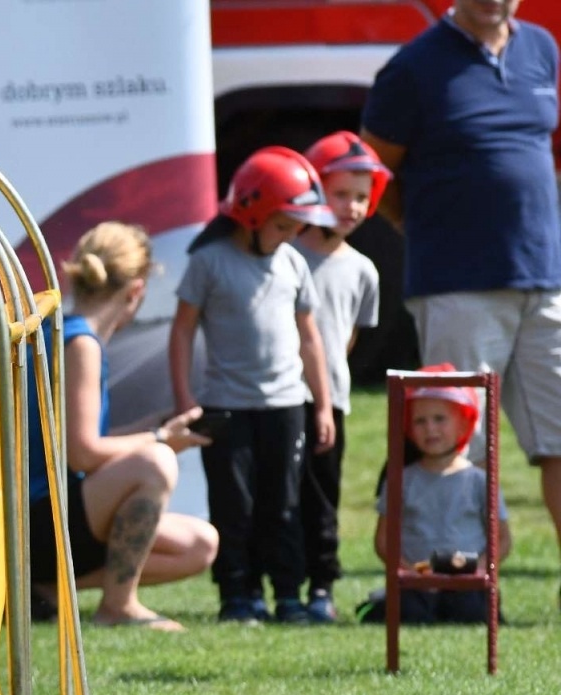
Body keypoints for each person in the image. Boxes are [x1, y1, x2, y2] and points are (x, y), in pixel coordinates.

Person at [360, 1, 561, 596]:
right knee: (453, 445)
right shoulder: (413, 67)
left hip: (544, 281)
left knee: (559, 439)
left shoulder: (541, 49)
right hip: (456, 285)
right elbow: (373, 173)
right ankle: (455, 585)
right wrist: (425, 230)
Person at [169, 147, 337, 624]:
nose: (293, 236)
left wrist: (321, 406)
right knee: (233, 505)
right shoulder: (209, 262)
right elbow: (182, 331)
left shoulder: (292, 263)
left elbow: (310, 337)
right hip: (226, 407)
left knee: (282, 503)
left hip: (287, 406)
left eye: (297, 227)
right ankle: (238, 596)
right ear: (251, 214)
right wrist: (185, 398)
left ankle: (287, 593)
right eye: (284, 225)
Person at [29, 223, 218, 630]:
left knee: (201, 546)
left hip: (39, 521)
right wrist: (159, 439)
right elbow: (82, 452)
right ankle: (118, 606)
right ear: (136, 291)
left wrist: (152, 428)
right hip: (38, 523)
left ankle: (41, 588)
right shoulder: (81, 343)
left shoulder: (59, 331)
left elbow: (73, 447)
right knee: (157, 463)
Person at [292, 132, 389, 623]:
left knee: (321, 496)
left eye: (361, 195)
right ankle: (276, 589)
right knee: (278, 497)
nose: (351, 206)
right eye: (341, 193)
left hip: (331, 403)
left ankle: (321, 588)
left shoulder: (363, 270)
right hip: (278, 400)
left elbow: (346, 339)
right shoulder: (283, 255)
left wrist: (327, 390)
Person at [364, 366, 511, 624]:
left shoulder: (480, 481)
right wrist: (408, 571)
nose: (430, 429)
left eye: (440, 419)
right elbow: (384, 539)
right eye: (420, 421)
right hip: (415, 582)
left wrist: (478, 570)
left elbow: (502, 539)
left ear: (465, 422)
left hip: (467, 583)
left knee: (472, 612)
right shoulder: (401, 480)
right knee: (409, 612)